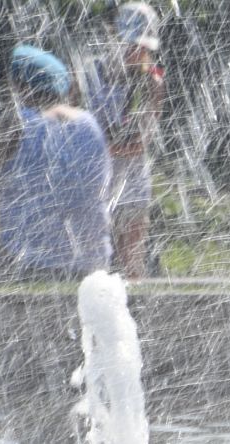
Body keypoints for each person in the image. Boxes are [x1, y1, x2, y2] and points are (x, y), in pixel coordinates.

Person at [0, 43, 112, 278]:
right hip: (91, 260)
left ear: (19, 86)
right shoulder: (89, 124)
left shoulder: (17, 125)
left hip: (28, 259)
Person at [78, 3, 166, 279]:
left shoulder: (152, 81)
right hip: (95, 181)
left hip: (132, 182)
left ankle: (138, 314)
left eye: (142, 47)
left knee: (131, 264)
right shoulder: (89, 75)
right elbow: (77, 129)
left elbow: (142, 141)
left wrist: (103, 142)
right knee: (96, 264)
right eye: (130, 45)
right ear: (113, 39)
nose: (136, 53)